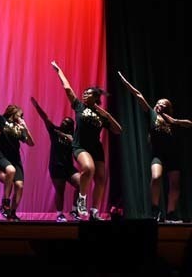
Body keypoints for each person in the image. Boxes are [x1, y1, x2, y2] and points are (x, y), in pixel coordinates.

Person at [51, 60, 122, 220]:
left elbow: (118, 130)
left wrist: (107, 115)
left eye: (87, 93)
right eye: (83, 93)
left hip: (96, 148)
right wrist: (59, 71)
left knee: (101, 178)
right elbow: (67, 88)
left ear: (95, 97)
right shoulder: (79, 106)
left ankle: (95, 212)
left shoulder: (101, 115)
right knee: (88, 168)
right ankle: (81, 201)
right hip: (80, 146)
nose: (83, 94)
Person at [118, 71, 192, 223]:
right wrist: (125, 83)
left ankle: (171, 213)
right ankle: (155, 209)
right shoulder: (152, 115)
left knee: (175, 184)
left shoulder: (172, 120)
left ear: (167, 107)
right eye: (157, 103)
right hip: (157, 154)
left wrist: (175, 121)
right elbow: (139, 95)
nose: (158, 105)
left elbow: (189, 124)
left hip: (173, 155)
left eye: (162, 104)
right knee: (156, 177)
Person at [31, 96, 80, 222]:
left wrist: (69, 138)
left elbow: (78, 147)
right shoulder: (54, 131)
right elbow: (45, 118)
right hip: (56, 166)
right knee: (60, 190)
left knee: (81, 183)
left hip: (68, 167)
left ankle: (74, 210)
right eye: (63, 121)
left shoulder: (73, 137)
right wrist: (37, 107)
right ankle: (59, 214)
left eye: (67, 122)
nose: (64, 123)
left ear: (71, 126)